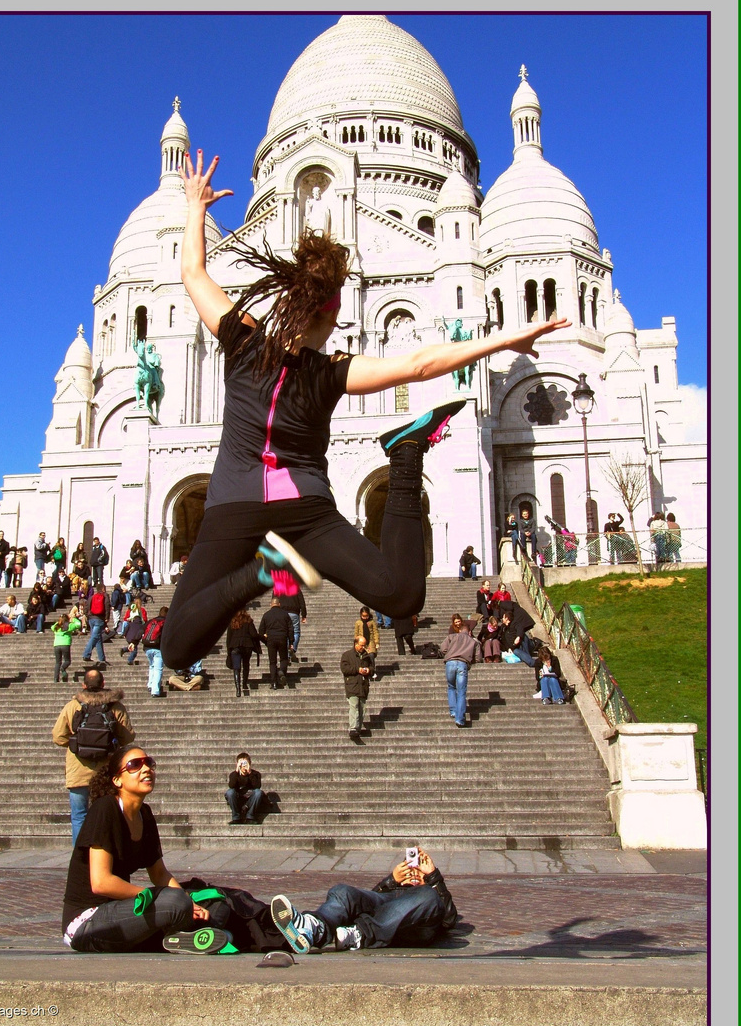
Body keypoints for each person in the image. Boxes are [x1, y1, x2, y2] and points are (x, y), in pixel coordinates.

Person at [159, 150, 568, 676]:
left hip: (232, 508)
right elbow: (422, 364)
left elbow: (192, 270)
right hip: (304, 511)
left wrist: (195, 205)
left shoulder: (240, 337)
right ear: (332, 309)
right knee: (400, 596)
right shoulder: (333, 371)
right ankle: (404, 455)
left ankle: (261, 573)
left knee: (176, 650)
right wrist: (511, 336)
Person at [60, 745, 230, 953]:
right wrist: (160, 898)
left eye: (149, 763)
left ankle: (182, 937)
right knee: (174, 902)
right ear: (117, 780)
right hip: (87, 923)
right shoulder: (105, 809)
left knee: (214, 902)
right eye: (135, 765)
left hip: (125, 915)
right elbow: (101, 882)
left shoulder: (145, 814)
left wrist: (190, 902)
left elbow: (159, 873)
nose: (146, 769)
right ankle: (190, 933)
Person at [271, 846, 456, 953]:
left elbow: (448, 918)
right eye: (411, 869)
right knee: (343, 891)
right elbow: (369, 902)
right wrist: (392, 880)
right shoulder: (394, 885)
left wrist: (433, 877)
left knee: (427, 897)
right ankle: (314, 927)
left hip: (412, 918)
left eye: (419, 870)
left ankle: (358, 934)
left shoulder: (430, 893)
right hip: (385, 906)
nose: (415, 872)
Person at [52, 668, 136, 843]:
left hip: (78, 770)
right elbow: (127, 737)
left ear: (84, 685)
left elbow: (58, 736)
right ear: (103, 684)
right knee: (106, 816)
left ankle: (80, 858)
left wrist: (78, 743)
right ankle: (104, 855)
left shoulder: (73, 706)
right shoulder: (114, 706)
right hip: (105, 771)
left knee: (79, 816)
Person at [440, 613, 481, 727]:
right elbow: (478, 658)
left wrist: (449, 653)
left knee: (451, 687)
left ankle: (453, 711)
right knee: (461, 692)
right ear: (469, 632)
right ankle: (460, 719)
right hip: (463, 663)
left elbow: (443, 649)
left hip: (450, 663)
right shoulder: (473, 641)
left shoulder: (452, 637)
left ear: (459, 630)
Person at [258, 596, 294, 689]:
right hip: (282, 638)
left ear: (271, 604)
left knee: (272, 662)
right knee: (283, 659)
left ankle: (273, 682)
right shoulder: (285, 614)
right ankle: (282, 672)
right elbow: (290, 629)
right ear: (279, 604)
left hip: (271, 639)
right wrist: (291, 641)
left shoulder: (266, 615)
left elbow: (261, 631)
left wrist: (265, 640)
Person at [340, 635, 371, 741]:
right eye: (362, 645)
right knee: (354, 706)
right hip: (352, 685)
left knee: (362, 708)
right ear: (356, 644)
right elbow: (344, 669)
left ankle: (358, 728)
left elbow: (372, 668)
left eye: (364, 645)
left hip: (363, 685)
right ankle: (353, 728)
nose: (364, 647)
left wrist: (368, 670)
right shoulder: (347, 655)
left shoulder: (367, 656)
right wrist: (357, 669)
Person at [225, 609, 262, 697]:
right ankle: (244, 683)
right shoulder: (248, 620)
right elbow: (254, 634)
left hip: (235, 647)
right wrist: (262, 637)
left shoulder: (233, 621)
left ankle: (238, 689)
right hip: (247, 646)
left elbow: (228, 638)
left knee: (236, 668)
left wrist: (229, 652)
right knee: (246, 664)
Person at [225, 751, 264, 826]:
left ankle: (250, 816)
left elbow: (257, 786)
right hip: (238, 799)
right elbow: (231, 785)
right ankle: (236, 817)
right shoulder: (234, 774)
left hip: (250, 800)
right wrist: (237, 771)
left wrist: (250, 773)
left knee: (258, 792)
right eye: (241, 763)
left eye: (245, 763)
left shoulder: (256, 774)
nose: (243, 765)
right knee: (230, 792)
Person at [142, 605, 169, 697]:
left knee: (152, 666)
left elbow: (142, 630)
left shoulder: (152, 621)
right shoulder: (165, 622)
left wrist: (134, 642)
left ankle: (150, 684)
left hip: (147, 646)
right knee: (158, 669)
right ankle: (155, 690)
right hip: (157, 648)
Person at [82, 583, 110, 668]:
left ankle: (102, 658)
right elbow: (107, 607)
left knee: (98, 638)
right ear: (103, 589)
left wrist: (88, 616)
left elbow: (86, 607)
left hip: (91, 619)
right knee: (94, 637)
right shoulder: (105, 597)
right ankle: (86, 654)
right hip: (99, 619)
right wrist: (106, 618)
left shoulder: (91, 597)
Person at [278, 585, 307, 663]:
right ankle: (292, 650)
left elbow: (275, 600)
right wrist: (304, 615)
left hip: (282, 613)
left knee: (285, 633)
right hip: (294, 613)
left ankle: (287, 654)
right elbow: (302, 602)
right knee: (296, 632)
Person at [51, 611, 82, 683]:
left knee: (57, 662)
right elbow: (78, 624)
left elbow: (52, 627)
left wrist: (58, 622)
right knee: (67, 660)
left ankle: (56, 678)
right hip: (65, 644)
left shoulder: (56, 626)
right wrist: (73, 618)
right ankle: (63, 668)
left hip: (56, 645)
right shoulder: (69, 625)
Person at [354, 606, 380, 679]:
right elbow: (356, 633)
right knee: (362, 657)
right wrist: (356, 643)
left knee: (371, 655)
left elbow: (375, 632)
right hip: (361, 643)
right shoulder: (358, 623)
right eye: (363, 616)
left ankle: (372, 670)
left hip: (370, 642)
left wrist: (377, 642)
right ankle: (364, 671)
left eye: (366, 616)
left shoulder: (372, 622)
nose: (365, 617)